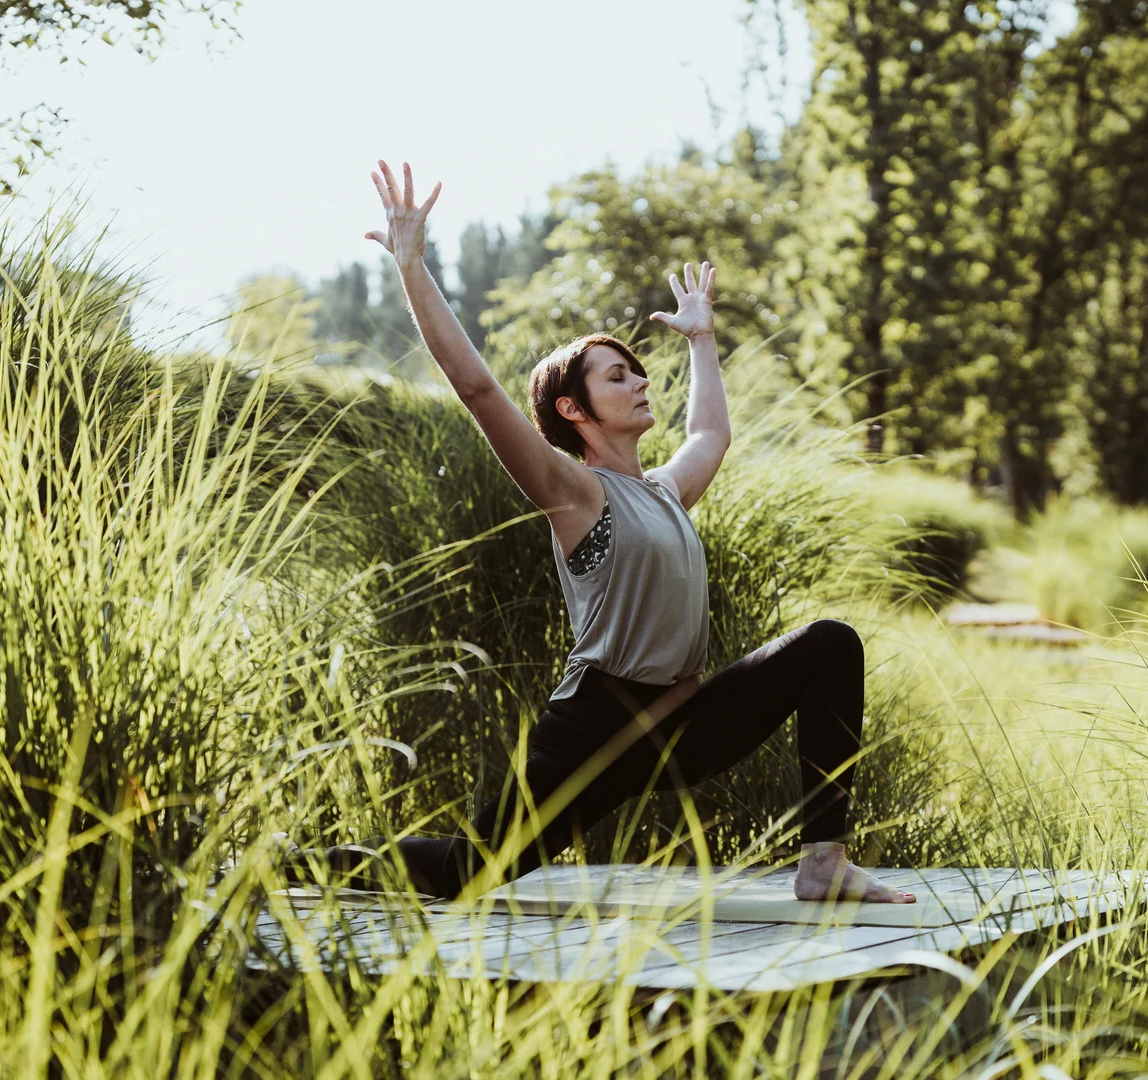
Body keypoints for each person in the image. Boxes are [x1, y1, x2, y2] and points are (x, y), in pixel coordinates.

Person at [353, 159, 913, 904]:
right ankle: (304, 867)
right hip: (596, 732)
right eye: (616, 376)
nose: (640, 381)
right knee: (466, 874)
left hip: (685, 730)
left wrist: (702, 339)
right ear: (574, 412)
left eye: (637, 370)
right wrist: (412, 265)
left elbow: (710, 432)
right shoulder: (573, 491)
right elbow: (478, 388)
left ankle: (824, 863)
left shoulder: (664, 492)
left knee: (829, 646)